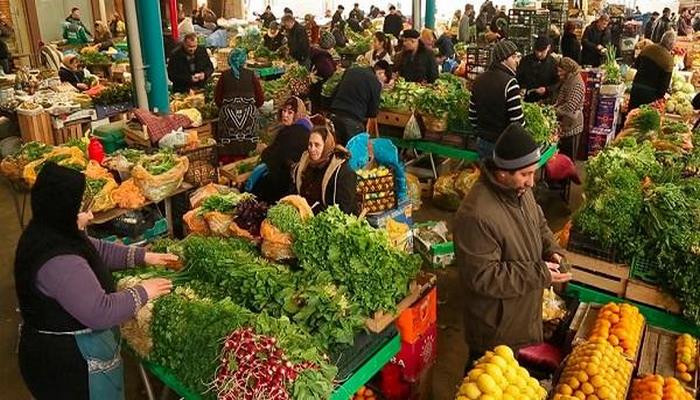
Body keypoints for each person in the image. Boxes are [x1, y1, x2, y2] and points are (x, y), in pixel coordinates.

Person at [15, 163, 177, 400]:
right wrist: (143, 291)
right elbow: (100, 311)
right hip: (68, 367)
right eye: (82, 209)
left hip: (61, 353)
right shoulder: (59, 261)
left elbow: (97, 249)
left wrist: (145, 256)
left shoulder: (50, 230)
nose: (90, 215)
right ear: (63, 210)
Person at [454, 123, 571, 367]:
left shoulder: (519, 191)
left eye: (533, 172)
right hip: (495, 326)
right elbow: (482, 277)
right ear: (503, 172)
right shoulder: (476, 215)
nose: (531, 182)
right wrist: (538, 272)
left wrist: (553, 251)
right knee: (481, 381)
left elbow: (539, 225)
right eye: (525, 174)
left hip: (518, 312)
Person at [468, 40, 524, 159]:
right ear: (503, 59)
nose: (517, 61)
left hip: (482, 142)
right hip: (503, 145)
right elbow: (518, 122)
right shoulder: (510, 83)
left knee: (486, 176)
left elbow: (472, 115)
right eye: (513, 57)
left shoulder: (478, 80)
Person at [252, 97, 312, 203]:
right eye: (284, 111)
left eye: (290, 112)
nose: (285, 115)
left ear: (297, 114)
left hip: (286, 183)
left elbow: (273, 156)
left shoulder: (290, 133)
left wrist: (264, 150)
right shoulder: (306, 127)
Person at [292, 125, 358, 215]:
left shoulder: (343, 173)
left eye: (317, 145)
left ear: (326, 146)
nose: (312, 149)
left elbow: (344, 210)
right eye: (310, 144)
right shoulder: (305, 164)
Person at [213, 48, 265, 158]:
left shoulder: (224, 76)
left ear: (230, 60)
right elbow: (260, 100)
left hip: (228, 121)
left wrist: (228, 107)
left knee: (228, 154)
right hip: (249, 121)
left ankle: (228, 170)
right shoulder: (251, 75)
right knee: (250, 155)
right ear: (243, 61)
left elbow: (217, 100)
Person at [330, 61, 390, 145]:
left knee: (336, 147)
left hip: (335, 114)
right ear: (381, 73)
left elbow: (335, 91)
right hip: (353, 120)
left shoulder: (351, 71)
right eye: (384, 81)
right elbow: (373, 112)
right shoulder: (375, 82)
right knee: (353, 152)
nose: (383, 85)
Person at [629, 31, 676, 111]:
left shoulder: (648, 48)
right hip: (650, 94)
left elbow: (636, 65)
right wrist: (659, 98)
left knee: (631, 116)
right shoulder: (669, 60)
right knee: (644, 119)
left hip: (636, 87)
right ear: (671, 45)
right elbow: (664, 85)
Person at [553, 57, 585, 160]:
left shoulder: (577, 84)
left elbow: (570, 106)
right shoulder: (568, 80)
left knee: (568, 159)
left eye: (560, 71)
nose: (558, 73)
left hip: (572, 127)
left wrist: (554, 110)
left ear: (567, 69)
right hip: (566, 126)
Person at [516, 36, 558, 103]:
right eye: (537, 51)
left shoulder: (553, 64)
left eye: (542, 51)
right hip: (526, 99)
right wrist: (522, 88)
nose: (539, 54)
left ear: (548, 48)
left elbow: (557, 84)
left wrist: (547, 89)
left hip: (545, 101)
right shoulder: (525, 60)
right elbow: (518, 77)